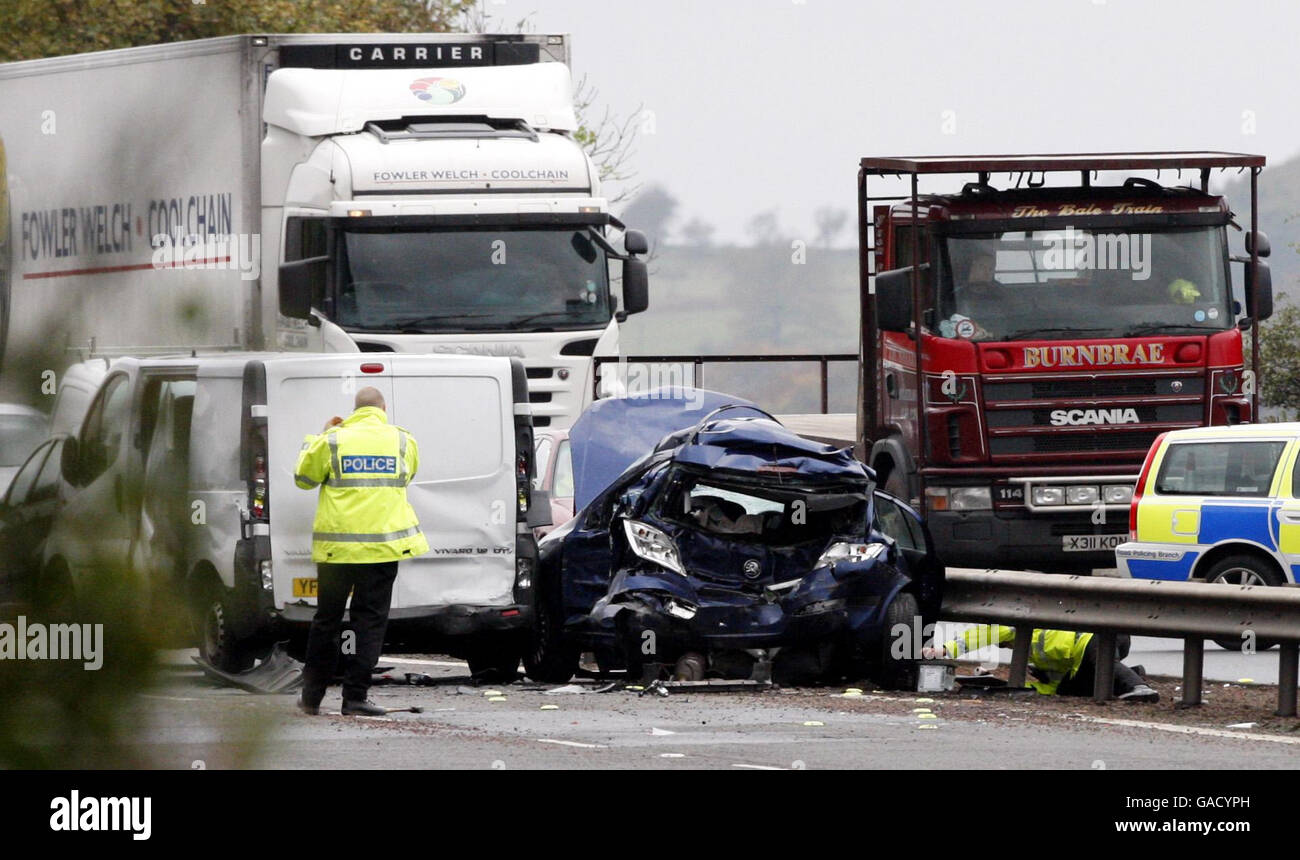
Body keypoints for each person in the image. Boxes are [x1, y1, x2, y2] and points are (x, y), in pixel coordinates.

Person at [293, 386, 429, 716]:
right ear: (382, 408)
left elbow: (303, 478)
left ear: (354, 410)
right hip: (381, 549)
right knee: (367, 623)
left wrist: (319, 436)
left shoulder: (333, 440)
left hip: (337, 551)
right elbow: (407, 475)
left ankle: (311, 698)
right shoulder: (402, 440)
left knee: (326, 621)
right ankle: (355, 698)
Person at [925, 625, 1159, 702]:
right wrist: (1000, 684)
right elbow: (1054, 689)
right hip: (1087, 656)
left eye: (1004, 645)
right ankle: (1133, 675)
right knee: (1073, 689)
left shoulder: (1018, 625)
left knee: (1100, 658)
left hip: (1094, 636)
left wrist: (945, 650)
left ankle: (1139, 687)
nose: (1007, 648)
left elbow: (983, 633)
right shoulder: (1037, 660)